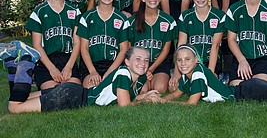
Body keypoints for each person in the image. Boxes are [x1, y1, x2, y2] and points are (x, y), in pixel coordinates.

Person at [0, 45, 161, 113]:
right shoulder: (123, 74)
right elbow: (125, 105)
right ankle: (27, 61)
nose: (143, 63)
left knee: (24, 98)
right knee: (15, 108)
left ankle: (12, 63)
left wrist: (144, 95)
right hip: (70, 98)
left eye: (146, 60)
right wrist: (145, 101)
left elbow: (126, 95)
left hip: (74, 91)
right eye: (138, 59)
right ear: (127, 61)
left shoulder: (138, 77)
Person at [162, 44, 267, 105]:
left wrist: (162, 103)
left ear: (196, 60)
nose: (183, 63)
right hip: (247, 87)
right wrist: (156, 98)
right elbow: (175, 95)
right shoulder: (185, 75)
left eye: (187, 59)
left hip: (250, 92)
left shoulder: (198, 73)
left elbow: (191, 104)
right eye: (179, 60)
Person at [25, 0, 82, 90]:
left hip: (68, 60)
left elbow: (77, 42)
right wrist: (52, 69)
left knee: (73, 92)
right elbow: (37, 45)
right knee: (54, 94)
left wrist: (69, 67)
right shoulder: (39, 12)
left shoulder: (74, 11)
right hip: (46, 61)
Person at [169, 0, 225, 92]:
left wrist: (210, 72)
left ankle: (220, 76)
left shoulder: (219, 16)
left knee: (207, 85)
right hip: (189, 62)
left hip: (211, 61)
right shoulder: (185, 16)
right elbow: (181, 45)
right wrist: (176, 72)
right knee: (172, 88)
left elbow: (215, 46)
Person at [76, 0, 129, 88]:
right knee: (91, 87)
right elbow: (84, 48)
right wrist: (93, 72)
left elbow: (123, 50)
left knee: (116, 87)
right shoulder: (87, 17)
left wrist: (110, 72)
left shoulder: (122, 19)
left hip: (113, 64)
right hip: (91, 64)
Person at [128, 0, 177, 93]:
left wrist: (150, 69)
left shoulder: (168, 21)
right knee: (142, 90)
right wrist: (141, 68)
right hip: (138, 63)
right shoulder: (132, 21)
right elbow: (128, 49)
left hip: (158, 63)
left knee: (160, 88)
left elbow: (165, 50)